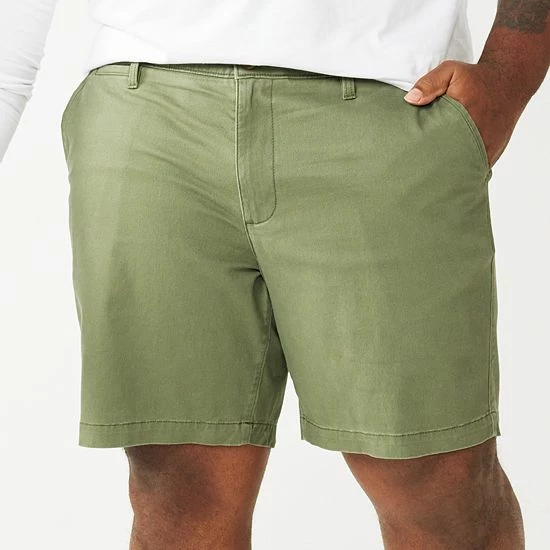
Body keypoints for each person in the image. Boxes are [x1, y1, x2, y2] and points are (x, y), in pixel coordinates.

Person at [1, 1, 548, 548]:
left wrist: (508, 76)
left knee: (440, 488)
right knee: (177, 492)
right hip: (148, 112)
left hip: (391, 103)